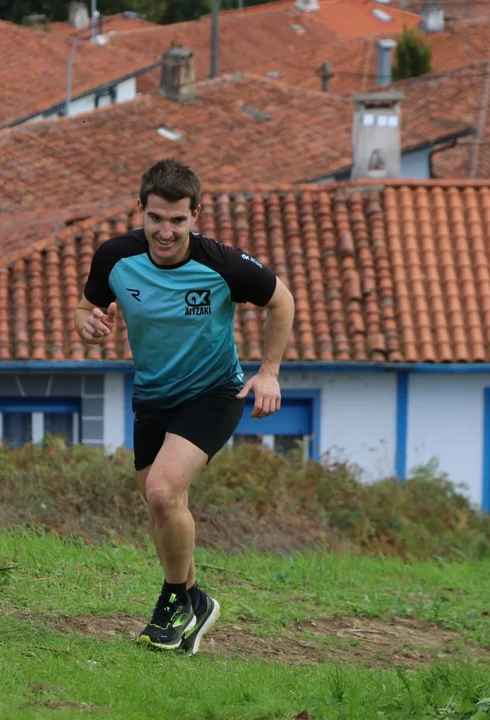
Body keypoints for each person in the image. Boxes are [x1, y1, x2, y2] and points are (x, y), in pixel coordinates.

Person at [74, 158, 295, 654]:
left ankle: (173, 604)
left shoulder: (222, 264)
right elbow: (86, 307)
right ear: (141, 210)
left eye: (177, 220)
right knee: (164, 508)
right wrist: (86, 323)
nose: (165, 232)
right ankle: (197, 603)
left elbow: (282, 301)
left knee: (161, 492)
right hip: (153, 395)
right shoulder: (115, 257)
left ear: (195, 214)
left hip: (213, 393)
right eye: (156, 218)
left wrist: (269, 372)